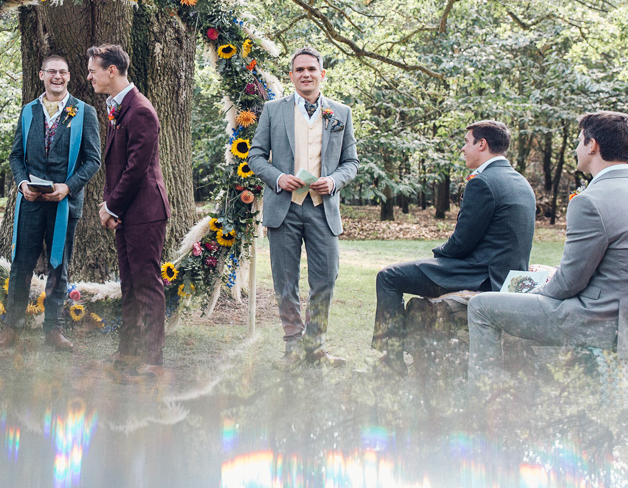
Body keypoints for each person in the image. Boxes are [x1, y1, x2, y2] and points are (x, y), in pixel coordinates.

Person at [468, 111, 628, 384]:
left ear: (593, 146)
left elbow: (568, 285)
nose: (576, 148)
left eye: (579, 141)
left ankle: (484, 399)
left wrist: (536, 288)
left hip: (602, 321)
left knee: (481, 306)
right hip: (617, 307)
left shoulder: (590, 201)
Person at [370, 120, 536, 375]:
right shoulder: (520, 182)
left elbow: (460, 243)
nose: (462, 149)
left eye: (466, 142)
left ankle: (392, 359)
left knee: (388, 276)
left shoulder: (483, 182)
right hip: (508, 274)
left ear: (482, 144)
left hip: (482, 275)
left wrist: (437, 254)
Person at [248, 47, 359, 365]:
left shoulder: (341, 113)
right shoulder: (272, 110)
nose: (306, 74)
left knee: (326, 278)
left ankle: (315, 346)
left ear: (322, 74)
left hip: (323, 209)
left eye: (312, 69)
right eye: (299, 70)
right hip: (283, 208)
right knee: (285, 280)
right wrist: (279, 177)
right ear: (292, 75)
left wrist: (335, 181)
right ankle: (293, 346)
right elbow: (255, 156)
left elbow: (351, 162)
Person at [0, 53, 101, 350]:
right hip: (30, 202)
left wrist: (69, 187)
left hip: (64, 203)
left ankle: (54, 330)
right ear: (41, 75)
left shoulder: (84, 112)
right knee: (21, 265)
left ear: (69, 76)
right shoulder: (28, 112)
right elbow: (16, 156)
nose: (57, 76)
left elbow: (93, 160)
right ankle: (11, 328)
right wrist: (22, 183)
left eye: (62, 72)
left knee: (59, 266)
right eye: (51, 71)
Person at [88, 44, 171, 378]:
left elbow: (136, 170)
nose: (89, 76)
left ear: (111, 71)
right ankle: (127, 353)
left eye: (93, 70)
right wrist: (112, 206)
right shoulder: (117, 107)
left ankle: (153, 359)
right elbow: (116, 164)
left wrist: (110, 205)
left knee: (148, 286)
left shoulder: (140, 110)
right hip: (127, 212)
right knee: (130, 286)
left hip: (146, 212)